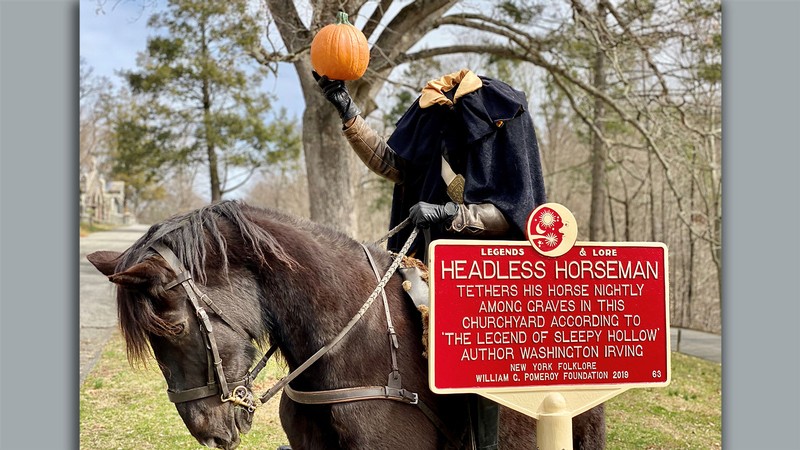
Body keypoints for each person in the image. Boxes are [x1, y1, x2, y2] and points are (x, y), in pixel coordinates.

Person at [316, 68, 547, 450]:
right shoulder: (432, 118)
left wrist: (446, 214)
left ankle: (480, 444)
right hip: (422, 258)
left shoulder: (504, 119)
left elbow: (515, 210)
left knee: (473, 337)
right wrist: (348, 112)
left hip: (486, 267)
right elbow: (394, 163)